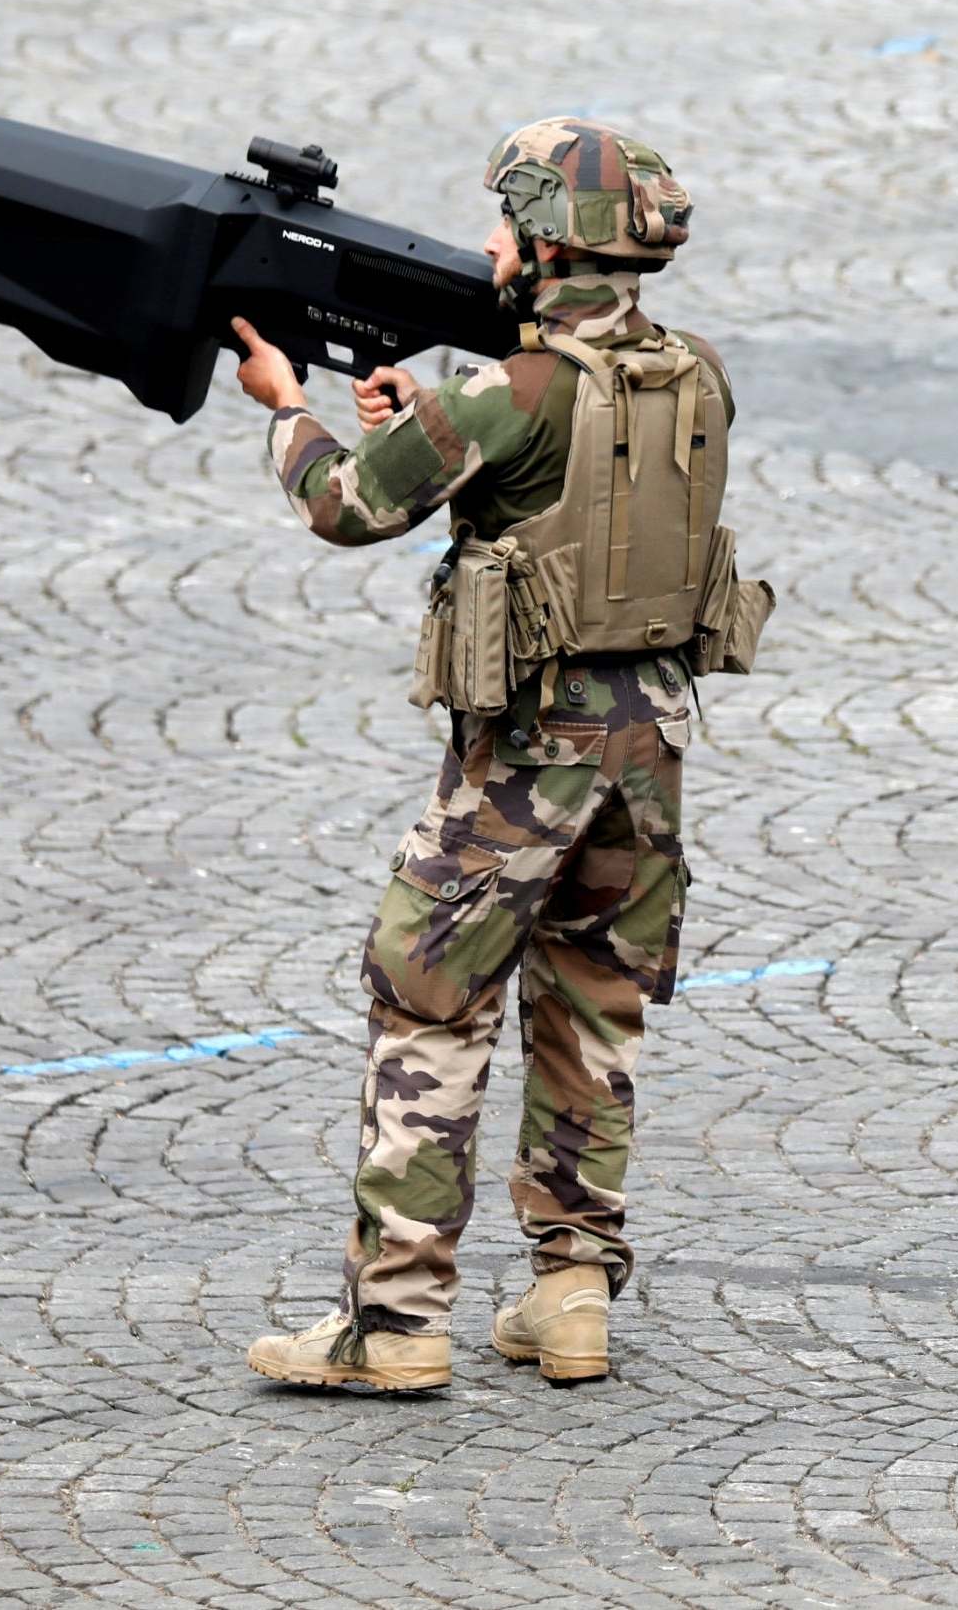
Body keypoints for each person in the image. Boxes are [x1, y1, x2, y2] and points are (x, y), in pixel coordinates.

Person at [230, 118, 766, 1391]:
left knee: (426, 996)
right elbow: (575, 479)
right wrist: (428, 414)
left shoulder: (504, 390)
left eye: (501, 226)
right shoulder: (697, 374)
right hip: (651, 745)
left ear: (542, 241)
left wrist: (286, 415)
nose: (485, 246)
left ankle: (396, 1325)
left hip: (528, 753)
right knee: (593, 995)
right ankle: (570, 1294)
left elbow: (346, 507)